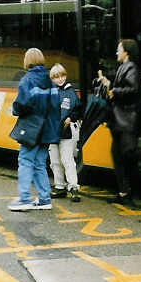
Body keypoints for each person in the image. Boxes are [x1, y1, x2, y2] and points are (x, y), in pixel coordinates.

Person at [8, 48, 58, 211]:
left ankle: (24, 199)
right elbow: (56, 105)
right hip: (48, 129)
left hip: (32, 128)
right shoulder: (50, 80)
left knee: (25, 161)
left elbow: (22, 105)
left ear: (27, 61)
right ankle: (44, 199)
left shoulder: (27, 80)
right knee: (39, 163)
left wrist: (15, 110)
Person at [98, 39, 141, 204]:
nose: (117, 52)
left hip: (126, 119)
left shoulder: (131, 67)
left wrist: (114, 91)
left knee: (127, 153)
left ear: (127, 52)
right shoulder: (124, 67)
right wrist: (108, 84)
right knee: (118, 155)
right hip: (119, 118)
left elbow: (133, 89)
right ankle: (124, 193)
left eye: (119, 49)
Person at [47, 63, 83, 203]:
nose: (60, 79)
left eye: (62, 76)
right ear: (52, 79)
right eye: (56, 77)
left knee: (67, 160)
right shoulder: (51, 92)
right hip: (53, 130)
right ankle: (59, 185)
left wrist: (71, 118)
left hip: (67, 130)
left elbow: (78, 109)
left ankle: (73, 187)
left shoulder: (70, 91)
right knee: (55, 161)